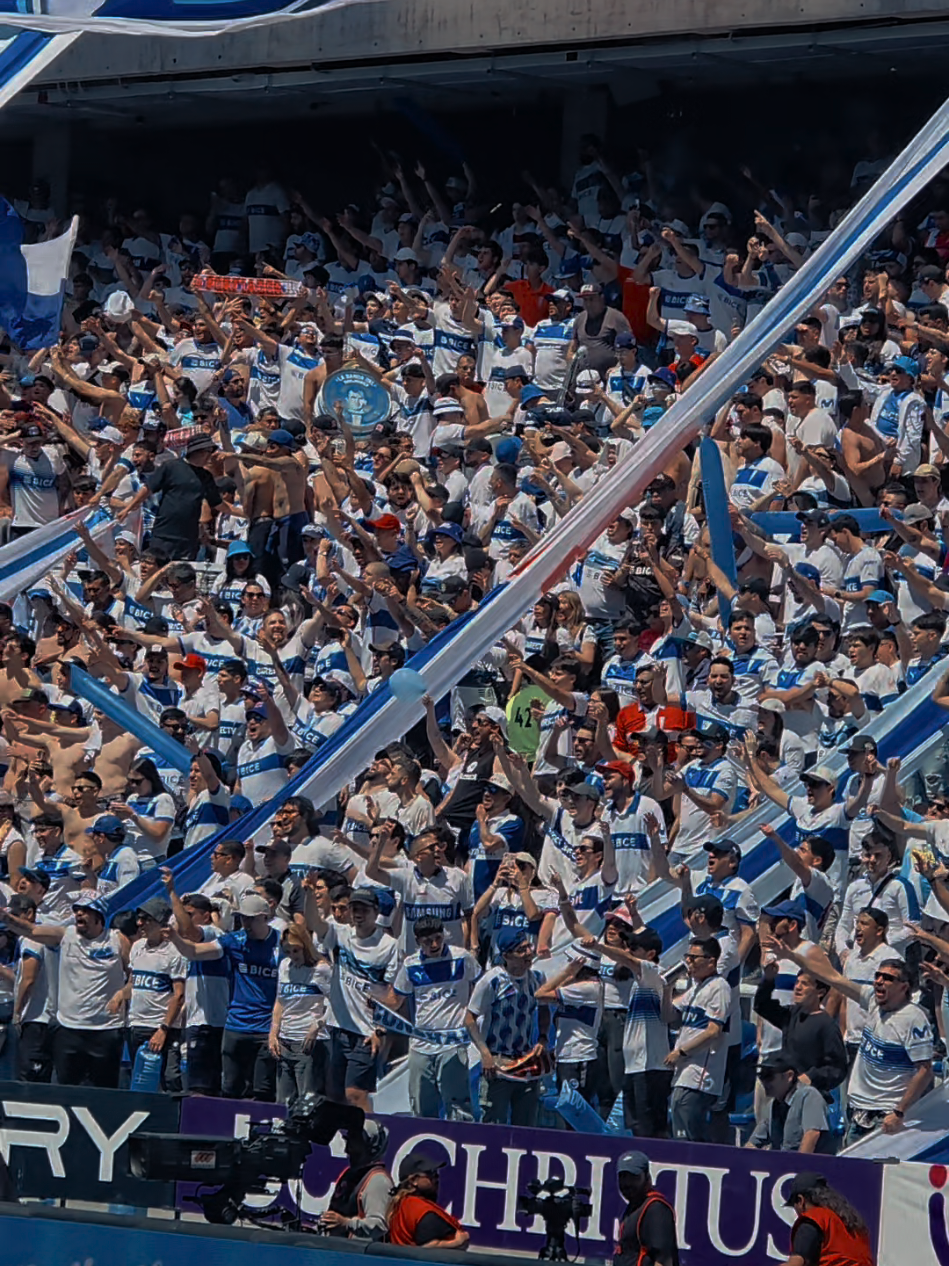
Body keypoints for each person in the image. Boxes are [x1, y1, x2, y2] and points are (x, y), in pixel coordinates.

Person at [779, 1171, 876, 1266]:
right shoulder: (854, 1226)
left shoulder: (813, 1220)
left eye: (794, 1205)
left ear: (801, 1200)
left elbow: (795, 1263)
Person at [749, 1054, 835, 1155]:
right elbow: (753, 1143)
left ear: (789, 1076)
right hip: (782, 1167)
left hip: (812, 1168)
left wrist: (797, 1168)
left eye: (769, 1076)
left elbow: (812, 1135)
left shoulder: (809, 1096)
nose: (764, 1082)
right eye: (761, 1076)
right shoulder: (772, 1105)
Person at [321, 1119, 392, 1241]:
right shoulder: (350, 1175)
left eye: (355, 1142)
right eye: (349, 1141)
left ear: (371, 1147)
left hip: (359, 1255)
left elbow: (379, 1225)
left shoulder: (378, 1181)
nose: (348, 1149)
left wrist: (346, 1223)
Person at [386, 1150, 470, 1250]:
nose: (437, 1178)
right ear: (414, 1180)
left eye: (436, 1173)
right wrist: (458, 1242)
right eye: (431, 1174)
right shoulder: (421, 1211)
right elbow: (426, 1250)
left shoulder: (402, 1203)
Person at [613, 1149, 679, 1266]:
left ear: (647, 1177)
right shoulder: (634, 1207)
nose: (627, 1183)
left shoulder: (656, 1209)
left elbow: (664, 1260)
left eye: (634, 1178)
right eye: (623, 1177)